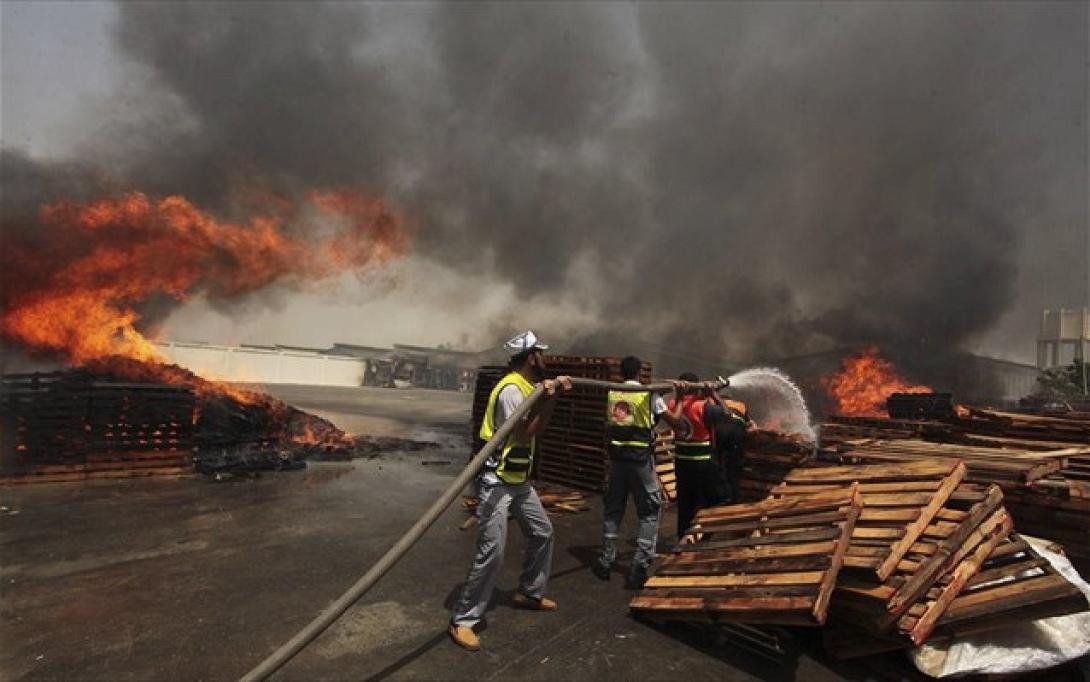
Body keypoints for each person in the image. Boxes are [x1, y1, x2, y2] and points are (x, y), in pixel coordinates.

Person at [449, 330, 573, 652]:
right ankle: (463, 619)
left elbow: (530, 434)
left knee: (543, 532)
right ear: (532, 356)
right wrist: (551, 398)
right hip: (496, 481)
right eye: (541, 354)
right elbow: (523, 435)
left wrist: (548, 394)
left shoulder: (526, 387)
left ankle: (529, 592)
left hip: (517, 480)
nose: (545, 358)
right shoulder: (511, 391)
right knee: (493, 551)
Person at [591, 355, 680, 589]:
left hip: (617, 461)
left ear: (622, 372)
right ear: (640, 372)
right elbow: (675, 422)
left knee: (613, 510)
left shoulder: (613, 392)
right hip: (641, 462)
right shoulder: (649, 394)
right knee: (650, 511)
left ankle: (605, 560)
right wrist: (679, 398)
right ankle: (639, 566)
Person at [666, 372, 730, 541]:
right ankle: (704, 535)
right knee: (717, 497)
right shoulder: (703, 406)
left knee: (685, 502)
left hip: (681, 462)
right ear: (696, 388)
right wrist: (713, 394)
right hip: (703, 462)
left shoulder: (673, 404)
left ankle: (683, 538)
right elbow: (726, 414)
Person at [703, 390, 753, 503]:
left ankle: (719, 496)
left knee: (718, 465)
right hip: (737, 437)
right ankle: (734, 496)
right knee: (734, 468)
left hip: (720, 436)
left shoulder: (712, 403)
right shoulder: (741, 405)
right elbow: (749, 424)